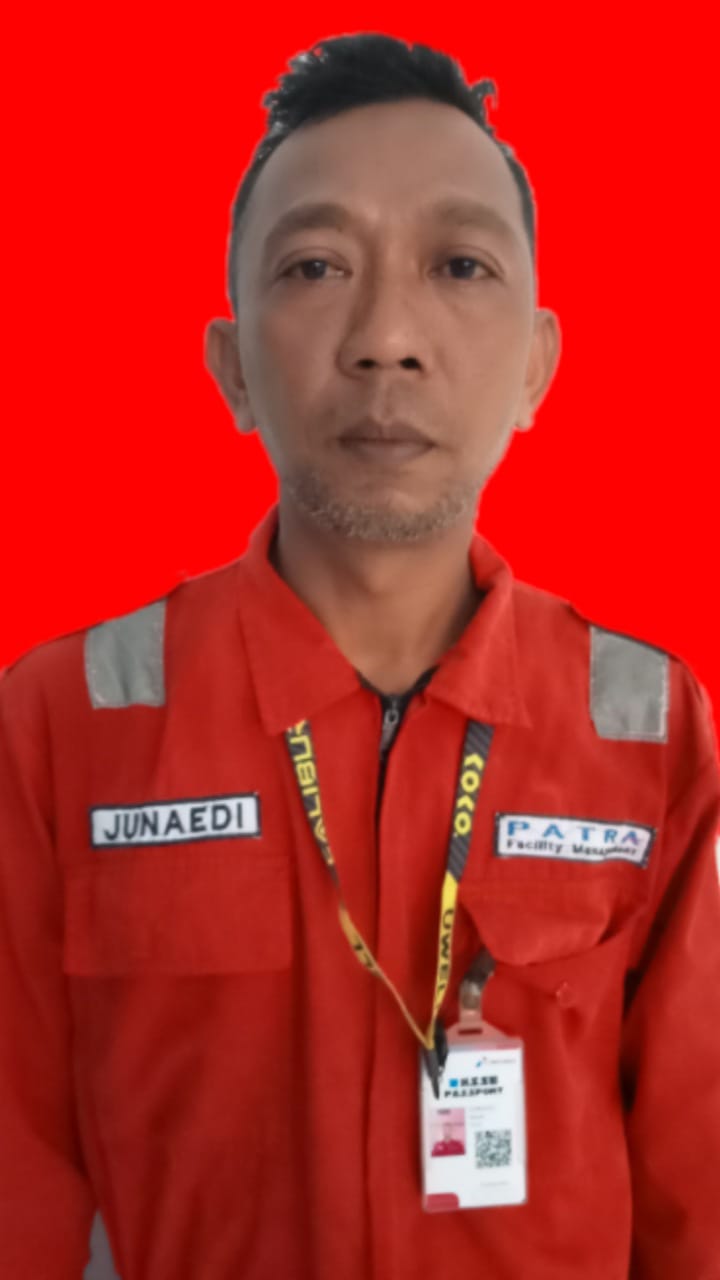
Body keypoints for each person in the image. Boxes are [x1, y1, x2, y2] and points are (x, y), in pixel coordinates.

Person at [1, 30, 719, 1280]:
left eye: (459, 264)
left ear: (538, 366)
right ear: (232, 366)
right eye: (317, 265)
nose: (387, 337)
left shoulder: (648, 726)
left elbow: (699, 1198)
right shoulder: (65, 719)